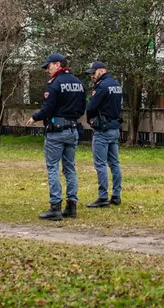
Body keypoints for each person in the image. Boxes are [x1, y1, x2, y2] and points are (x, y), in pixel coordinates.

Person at [26, 53, 86, 221]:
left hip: (56, 132)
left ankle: (55, 207)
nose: (47, 70)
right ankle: (72, 206)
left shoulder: (54, 84)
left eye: (49, 66)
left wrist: (35, 117)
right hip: (73, 130)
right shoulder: (79, 83)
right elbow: (82, 109)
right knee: (70, 168)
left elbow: (48, 108)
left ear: (58, 64)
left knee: (52, 167)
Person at [84, 61, 123, 208]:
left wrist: (91, 121)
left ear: (102, 70)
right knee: (114, 163)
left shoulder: (102, 86)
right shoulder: (116, 85)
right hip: (115, 127)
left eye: (94, 73)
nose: (92, 76)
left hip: (103, 128)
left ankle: (102, 197)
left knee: (100, 164)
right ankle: (116, 195)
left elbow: (92, 106)